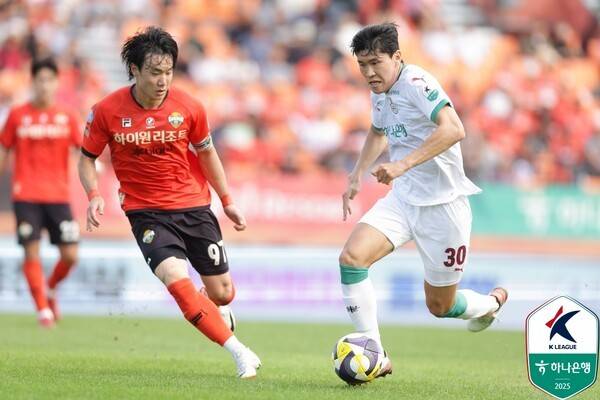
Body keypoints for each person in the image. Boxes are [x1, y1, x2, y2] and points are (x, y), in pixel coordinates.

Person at [77, 26, 260, 378]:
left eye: (168, 71)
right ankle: (239, 352)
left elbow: (207, 154)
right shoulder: (105, 111)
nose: (163, 81)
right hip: (145, 213)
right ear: (134, 70)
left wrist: (227, 200)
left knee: (223, 293)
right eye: (154, 72)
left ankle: (214, 308)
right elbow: (87, 158)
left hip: (193, 206)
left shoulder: (189, 107)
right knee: (176, 279)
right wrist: (94, 195)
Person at [339, 23, 508, 378]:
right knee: (351, 259)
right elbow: (377, 131)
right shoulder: (379, 91)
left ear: (396, 57)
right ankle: (375, 353)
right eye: (362, 65)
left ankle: (490, 303)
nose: (369, 73)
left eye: (375, 63)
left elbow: (454, 128)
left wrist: (402, 164)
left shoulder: (417, 83)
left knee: (441, 306)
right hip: (403, 199)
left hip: (443, 207)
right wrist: (356, 175)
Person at [0, 57, 81, 328]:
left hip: (59, 196)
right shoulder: (17, 115)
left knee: (70, 255)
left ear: (56, 83)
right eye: (40, 80)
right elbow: (3, 149)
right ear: (32, 82)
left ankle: (51, 287)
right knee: (31, 251)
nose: (45, 85)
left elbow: (84, 151)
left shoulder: (68, 116)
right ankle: (42, 310)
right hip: (26, 195)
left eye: (49, 80)